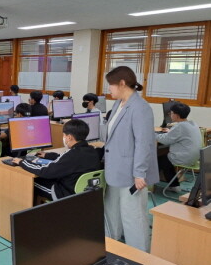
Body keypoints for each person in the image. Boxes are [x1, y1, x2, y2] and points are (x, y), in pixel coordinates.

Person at [102, 66, 158, 252]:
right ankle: (112, 247)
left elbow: (144, 143)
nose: (108, 89)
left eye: (110, 85)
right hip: (115, 169)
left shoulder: (140, 108)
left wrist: (139, 173)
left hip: (132, 173)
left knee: (133, 216)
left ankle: (140, 255)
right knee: (112, 214)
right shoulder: (118, 104)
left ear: (122, 83)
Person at [13, 119, 102, 200]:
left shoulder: (71, 155)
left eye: (64, 135)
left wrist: (22, 162)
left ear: (69, 137)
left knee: (30, 181)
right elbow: (67, 160)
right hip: (82, 192)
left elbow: (45, 171)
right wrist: (49, 155)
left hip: (64, 194)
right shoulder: (92, 150)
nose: (63, 138)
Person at [156, 102, 202, 192]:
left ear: (176, 115)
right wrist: (171, 131)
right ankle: (174, 186)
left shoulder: (180, 127)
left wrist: (151, 134)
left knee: (157, 160)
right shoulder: (192, 124)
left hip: (184, 158)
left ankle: (146, 184)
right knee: (165, 159)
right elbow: (179, 134)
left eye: (171, 113)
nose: (170, 115)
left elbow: (165, 140)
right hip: (194, 158)